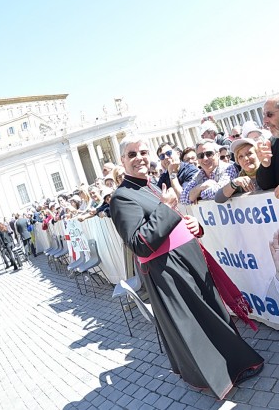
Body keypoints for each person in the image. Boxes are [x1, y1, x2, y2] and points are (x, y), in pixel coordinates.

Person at [109, 135, 263, 399]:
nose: (139, 158)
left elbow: (171, 220)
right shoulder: (121, 198)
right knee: (201, 323)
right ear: (122, 161)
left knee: (212, 313)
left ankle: (234, 362)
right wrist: (168, 209)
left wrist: (193, 226)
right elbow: (140, 243)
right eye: (132, 154)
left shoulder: (150, 187)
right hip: (169, 272)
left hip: (186, 261)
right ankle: (222, 373)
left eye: (143, 152)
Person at [180, 140, 237, 205]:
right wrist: (200, 187)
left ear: (218, 155)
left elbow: (218, 193)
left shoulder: (228, 168)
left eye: (209, 154)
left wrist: (197, 195)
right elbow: (183, 199)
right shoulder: (198, 175)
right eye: (200, 156)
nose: (205, 158)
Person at [215, 138, 262, 203]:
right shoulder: (240, 180)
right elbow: (218, 199)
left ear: (258, 154)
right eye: (240, 156)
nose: (245, 159)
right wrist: (234, 183)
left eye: (249, 153)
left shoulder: (269, 170)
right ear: (238, 161)